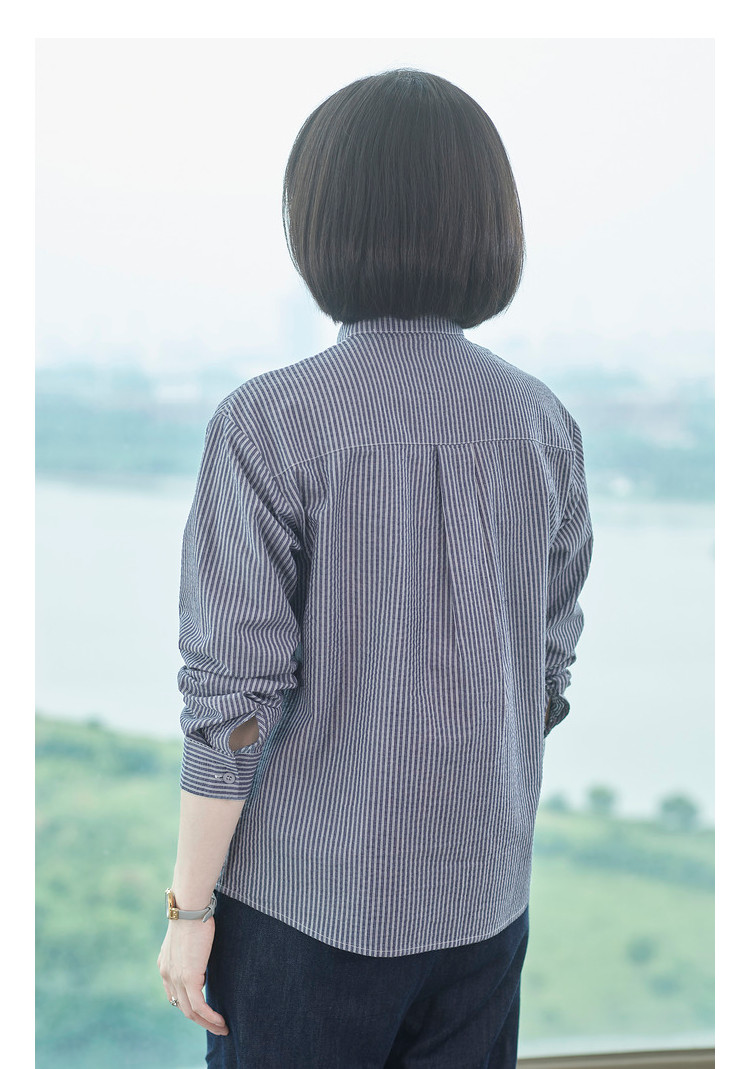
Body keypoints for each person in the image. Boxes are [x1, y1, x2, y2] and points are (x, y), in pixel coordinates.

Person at [157, 66, 594, 1068]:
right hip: (484, 902)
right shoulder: (542, 423)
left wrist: (189, 909)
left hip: (306, 911)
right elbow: (547, 668)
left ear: (322, 223)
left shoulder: (267, 422)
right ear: (488, 223)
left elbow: (231, 702)